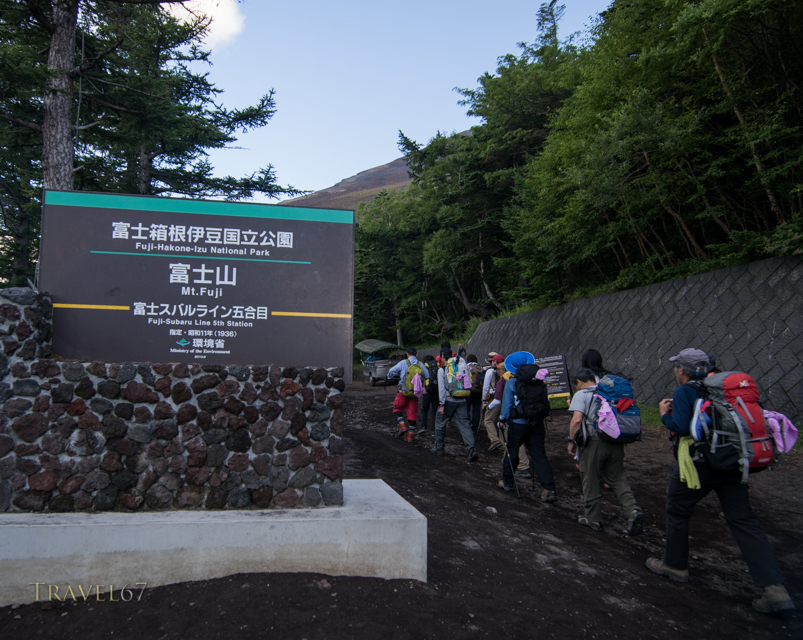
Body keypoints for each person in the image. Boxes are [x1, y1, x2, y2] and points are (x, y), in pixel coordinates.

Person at [646, 348, 794, 614]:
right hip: (734, 460)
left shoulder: (685, 392)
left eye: (676, 367)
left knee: (678, 509)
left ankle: (675, 565)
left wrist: (663, 413)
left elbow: (679, 428)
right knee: (743, 519)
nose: (675, 371)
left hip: (700, 462)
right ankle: (774, 588)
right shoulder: (728, 390)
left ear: (682, 369)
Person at [567, 368, 643, 534]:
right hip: (616, 440)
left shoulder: (581, 394)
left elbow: (577, 420)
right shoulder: (608, 393)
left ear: (579, 382)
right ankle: (633, 510)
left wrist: (571, 441)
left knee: (590, 477)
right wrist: (622, 446)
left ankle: (593, 518)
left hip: (595, 442)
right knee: (617, 477)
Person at [497, 351, 557, 502]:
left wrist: (502, 419)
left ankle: (507, 482)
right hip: (537, 423)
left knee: (512, 451)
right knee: (539, 455)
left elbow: (507, 405)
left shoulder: (512, 383)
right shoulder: (539, 381)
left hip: (518, 424)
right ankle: (549, 489)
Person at [432, 348, 478, 462]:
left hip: (448, 400)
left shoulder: (442, 370)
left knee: (440, 423)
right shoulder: (460, 366)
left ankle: (439, 447)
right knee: (465, 425)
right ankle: (472, 449)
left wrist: (441, 404)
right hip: (462, 400)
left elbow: (441, 389)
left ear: (442, 356)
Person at [386, 347, 428, 443]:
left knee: (397, 408)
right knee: (412, 414)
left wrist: (388, 377)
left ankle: (403, 426)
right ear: (417, 354)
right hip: (415, 393)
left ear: (407, 354)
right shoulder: (420, 364)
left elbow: (392, 371)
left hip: (403, 392)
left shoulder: (403, 363)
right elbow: (426, 376)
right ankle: (410, 436)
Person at [482, 354, 506, 452]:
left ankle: (494, 440)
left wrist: (484, 401)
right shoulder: (505, 371)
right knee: (501, 421)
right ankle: (504, 443)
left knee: (488, 420)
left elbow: (486, 387)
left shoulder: (490, 371)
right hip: (505, 399)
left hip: (494, 398)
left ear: (494, 362)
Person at [418, 355, 439, 437]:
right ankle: (433, 430)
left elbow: (421, 378)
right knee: (434, 412)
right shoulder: (437, 366)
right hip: (436, 392)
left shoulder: (424, 366)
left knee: (424, 410)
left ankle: (423, 427)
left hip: (427, 392)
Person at [465, 354, 484, 433]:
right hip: (479, 391)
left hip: (469, 391)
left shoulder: (467, 367)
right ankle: (475, 427)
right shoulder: (481, 368)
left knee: (466, 408)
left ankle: (468, 423)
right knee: (476, 410)